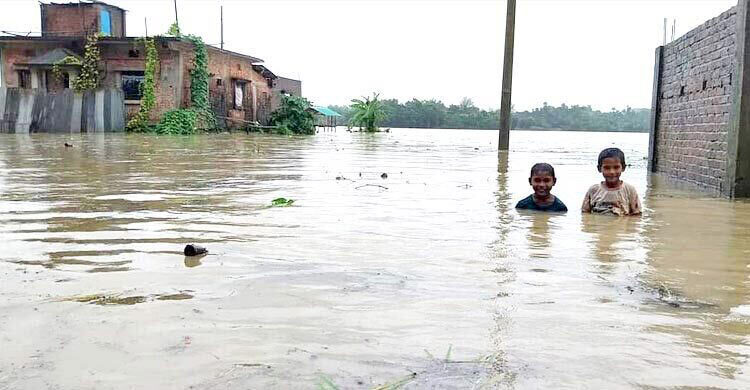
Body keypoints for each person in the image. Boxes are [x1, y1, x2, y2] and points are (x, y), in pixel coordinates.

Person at [582, 148, 641, 216]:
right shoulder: (593, 190)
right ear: (599, 168)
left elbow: (636, 215)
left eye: (616, 167)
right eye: (607, 168)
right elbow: (585, 214)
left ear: (623, 168)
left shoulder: (629, 190)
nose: (612, 172)